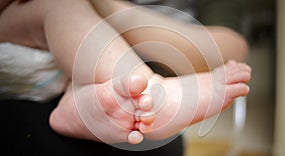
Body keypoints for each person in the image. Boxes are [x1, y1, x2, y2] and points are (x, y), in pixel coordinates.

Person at [0, 0, 251, 155]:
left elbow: (232, 49)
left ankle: (80, 105)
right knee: (61, 7)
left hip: (75, 72)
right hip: (19, 42)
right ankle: (150, 89)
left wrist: (109, 7)